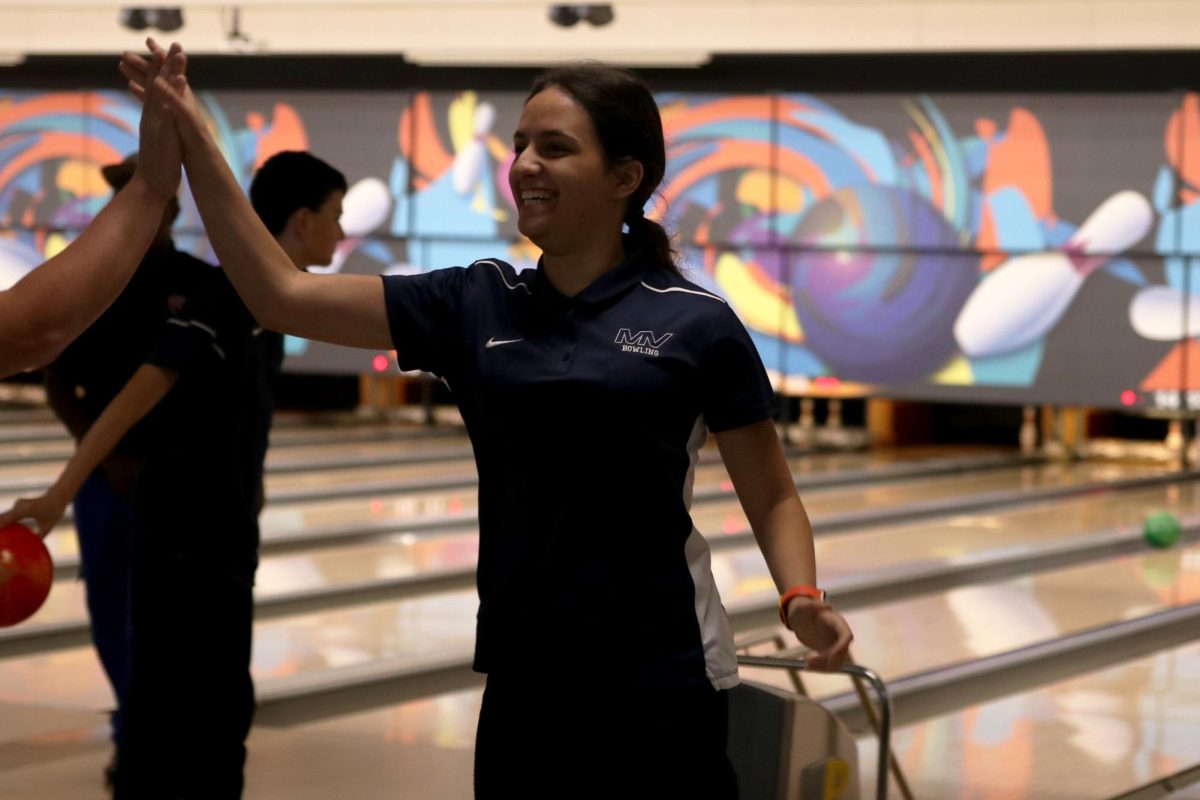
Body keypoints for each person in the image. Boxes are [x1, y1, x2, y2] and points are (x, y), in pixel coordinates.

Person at [120, 40, 852, 798]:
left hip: (659, 675)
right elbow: (280, 295)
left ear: (625, 178)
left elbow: (770, 491)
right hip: (523, 673)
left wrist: (801, 597)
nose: (525, 163)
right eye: (520, 145)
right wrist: (197, 143)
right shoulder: (474, 302)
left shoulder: (696, 323)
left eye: (556, 147)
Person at [0, 146, 347, 798]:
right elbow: (146, 380)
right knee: (182, 717)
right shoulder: (229, 296)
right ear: (301, 221)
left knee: (205, 714)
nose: (343, 230)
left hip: (215, 531)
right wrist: (62, 490)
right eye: (336, 214)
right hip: (184, 535)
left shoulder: (264, 299)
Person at [41, 152, 213, 789]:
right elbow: (60, 382)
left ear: (170, 207)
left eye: (157, 198)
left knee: (172, 617)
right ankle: (131, 735)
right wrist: (106, 454)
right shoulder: (93, 286)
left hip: (178, 480)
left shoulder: (198, 283)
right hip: (104, 481)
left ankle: (159, 736)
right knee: (113, 613)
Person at [0, 47, 182, 379]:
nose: (115, 200)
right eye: (119, 190)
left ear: (175, 211)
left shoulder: (189, 278)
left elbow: (32, 334)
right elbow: (30, 334)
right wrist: (150, 187)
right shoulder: (94, 276)